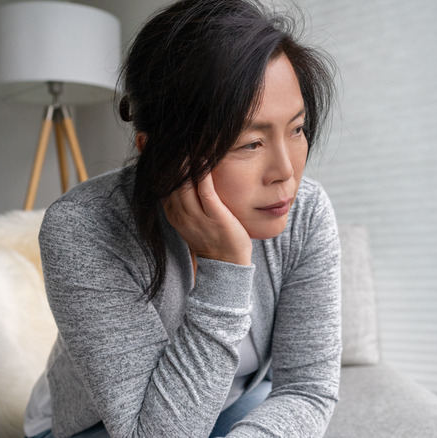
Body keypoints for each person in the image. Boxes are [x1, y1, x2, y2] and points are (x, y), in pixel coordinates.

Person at [22, 0, 341, 437]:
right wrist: (225, 268)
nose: (286, 172)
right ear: (158, 151)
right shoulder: (81, 229)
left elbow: (308, 389)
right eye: (249, 143)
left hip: (233, 404)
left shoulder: (306, 212)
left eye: (297, 129)